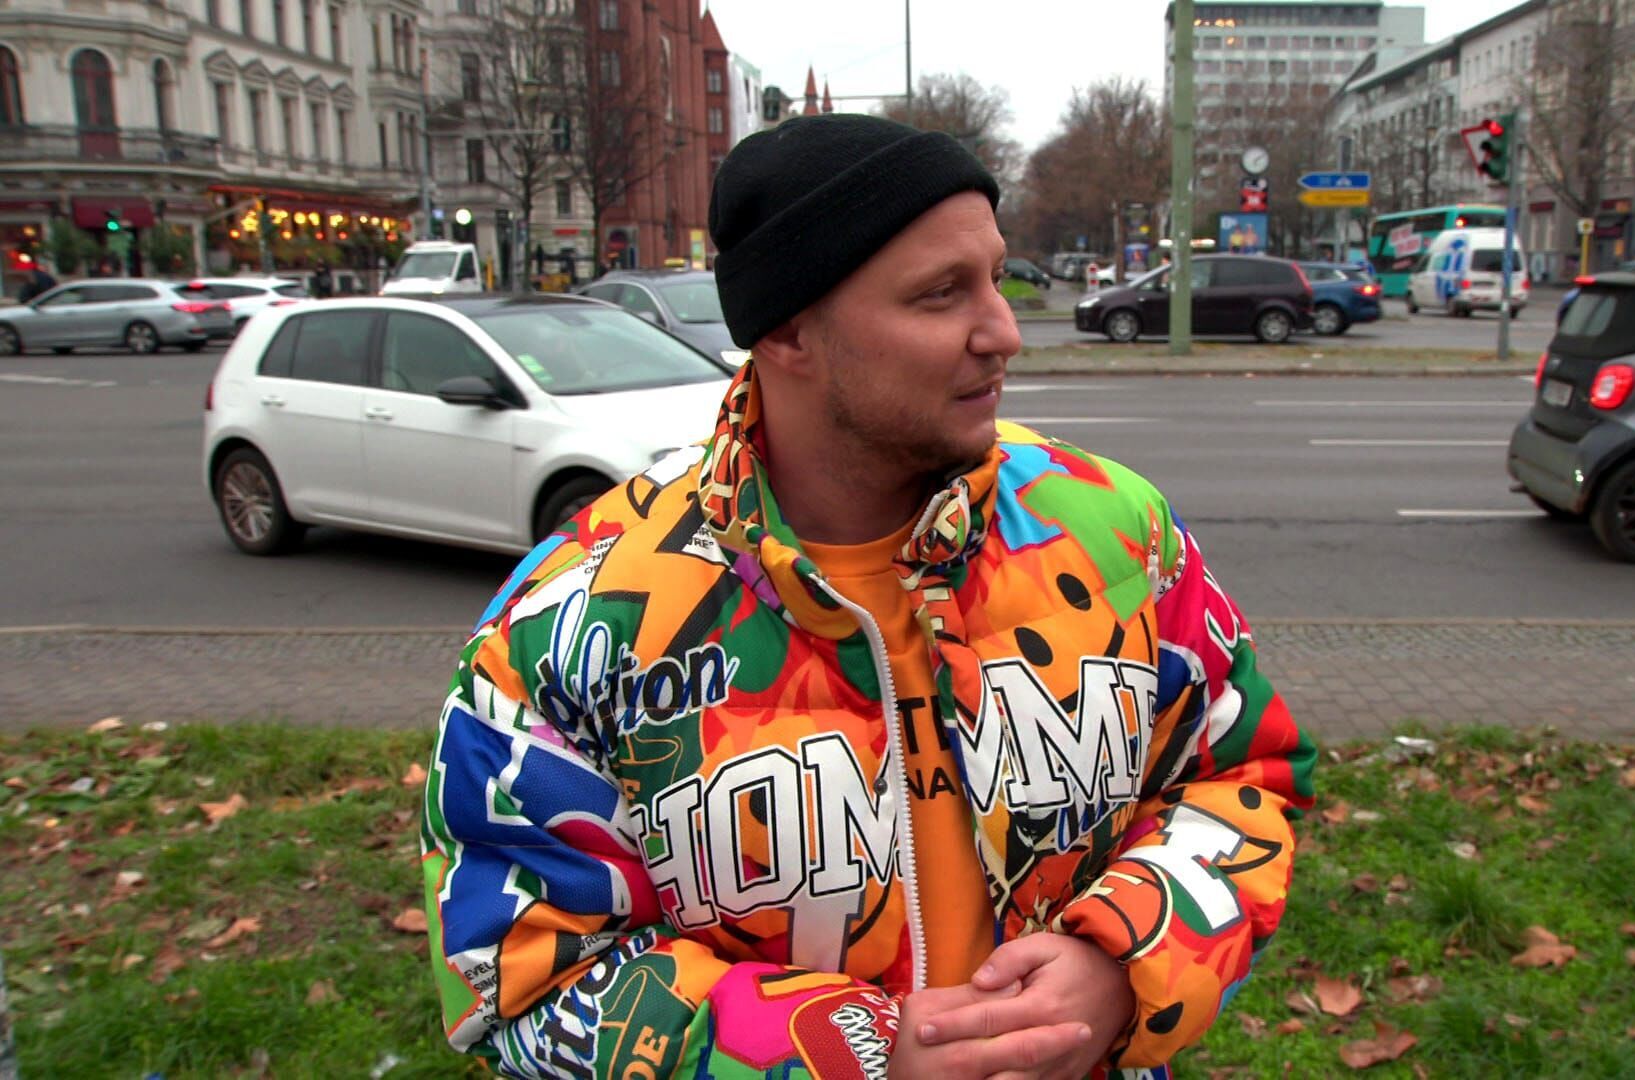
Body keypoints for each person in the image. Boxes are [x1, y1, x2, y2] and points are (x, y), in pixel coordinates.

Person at [421, 113, 1317, 1078]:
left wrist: (1120, 964)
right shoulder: (572, 621)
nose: (1004, 332)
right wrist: (852, 1058)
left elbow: (1242, 780)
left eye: (995, 278)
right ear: (788, 330)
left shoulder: (1115, 531)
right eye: (941, 294)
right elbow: (524, 977)